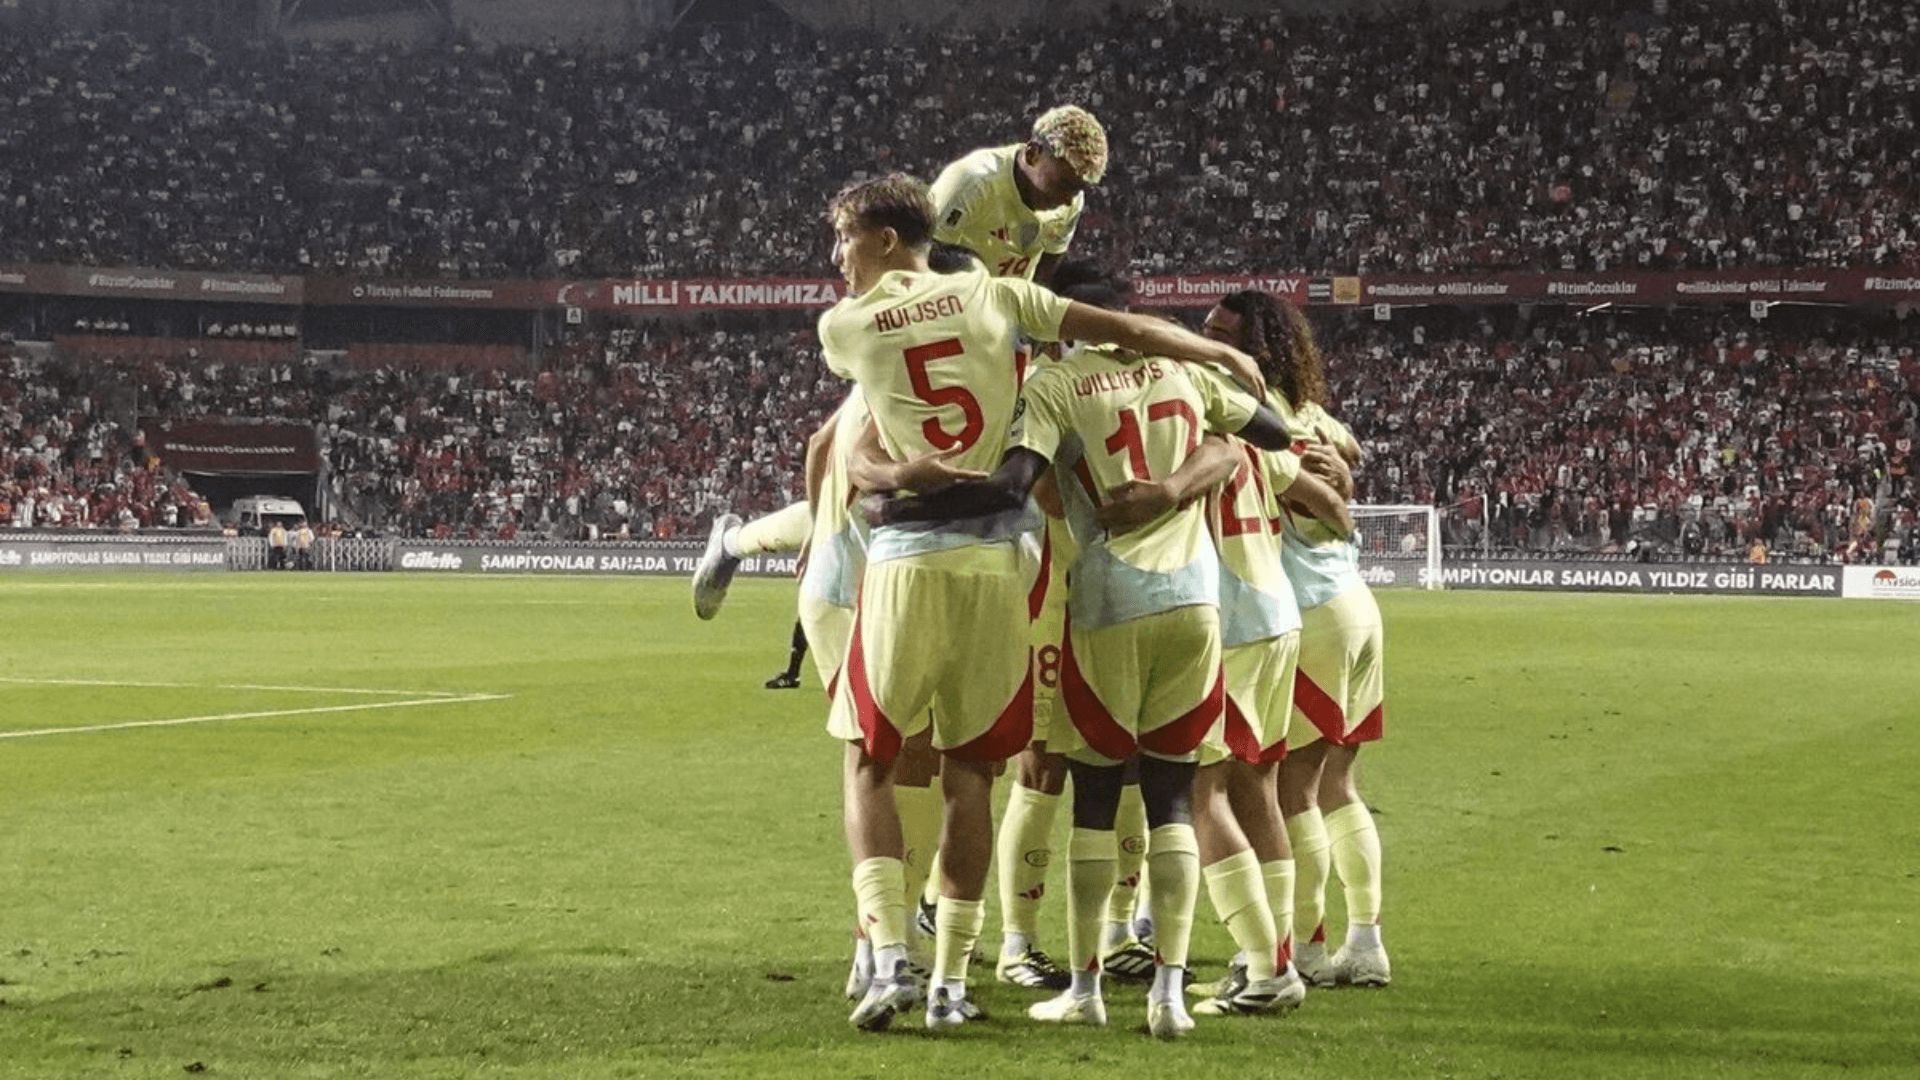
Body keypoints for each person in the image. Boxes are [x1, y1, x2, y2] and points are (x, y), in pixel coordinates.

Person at [821, 173, 1266, 1033]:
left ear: (880, 238)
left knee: (870, 759)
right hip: (1002, 563)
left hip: (908, 559)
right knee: (973, 778)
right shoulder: (997, 295)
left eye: (843, 240)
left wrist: (899, 476)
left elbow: (858, 449)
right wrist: (1217, 352)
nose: (839, 260)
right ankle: (952, 981)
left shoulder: (844, 326)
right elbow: (1127, 330)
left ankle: (884, 961)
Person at [932, 109, 1112, 990]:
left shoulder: (1060, 211)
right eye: (1064, 181)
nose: (1072, 199)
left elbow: (1036, 277)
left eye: (1081, 192)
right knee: (1036, 760)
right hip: (953, 333)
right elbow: (919, 277)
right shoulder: (966, 189)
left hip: (1013, 343)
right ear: (1030, 155)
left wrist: (1036, 353)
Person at [1209, 290, 1391, 989]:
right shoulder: (1321, 419)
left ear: (1259, 347)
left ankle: (1302, 946)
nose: (1210, 344)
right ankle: (1365, 942)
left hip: (1309, 613)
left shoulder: (1260, 421)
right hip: (1354, 606)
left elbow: (1319, 494)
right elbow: (1345, 469)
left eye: (1223, 334)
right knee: (1337, 784)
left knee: (1291, 789)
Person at [929, 105, 1107, 284]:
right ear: (1032, 154)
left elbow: (1048, 264)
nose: (1068, 201)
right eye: (1063, 185)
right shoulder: (971, 180)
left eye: (1077, 189)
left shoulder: (1072, 199)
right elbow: (921, 254)